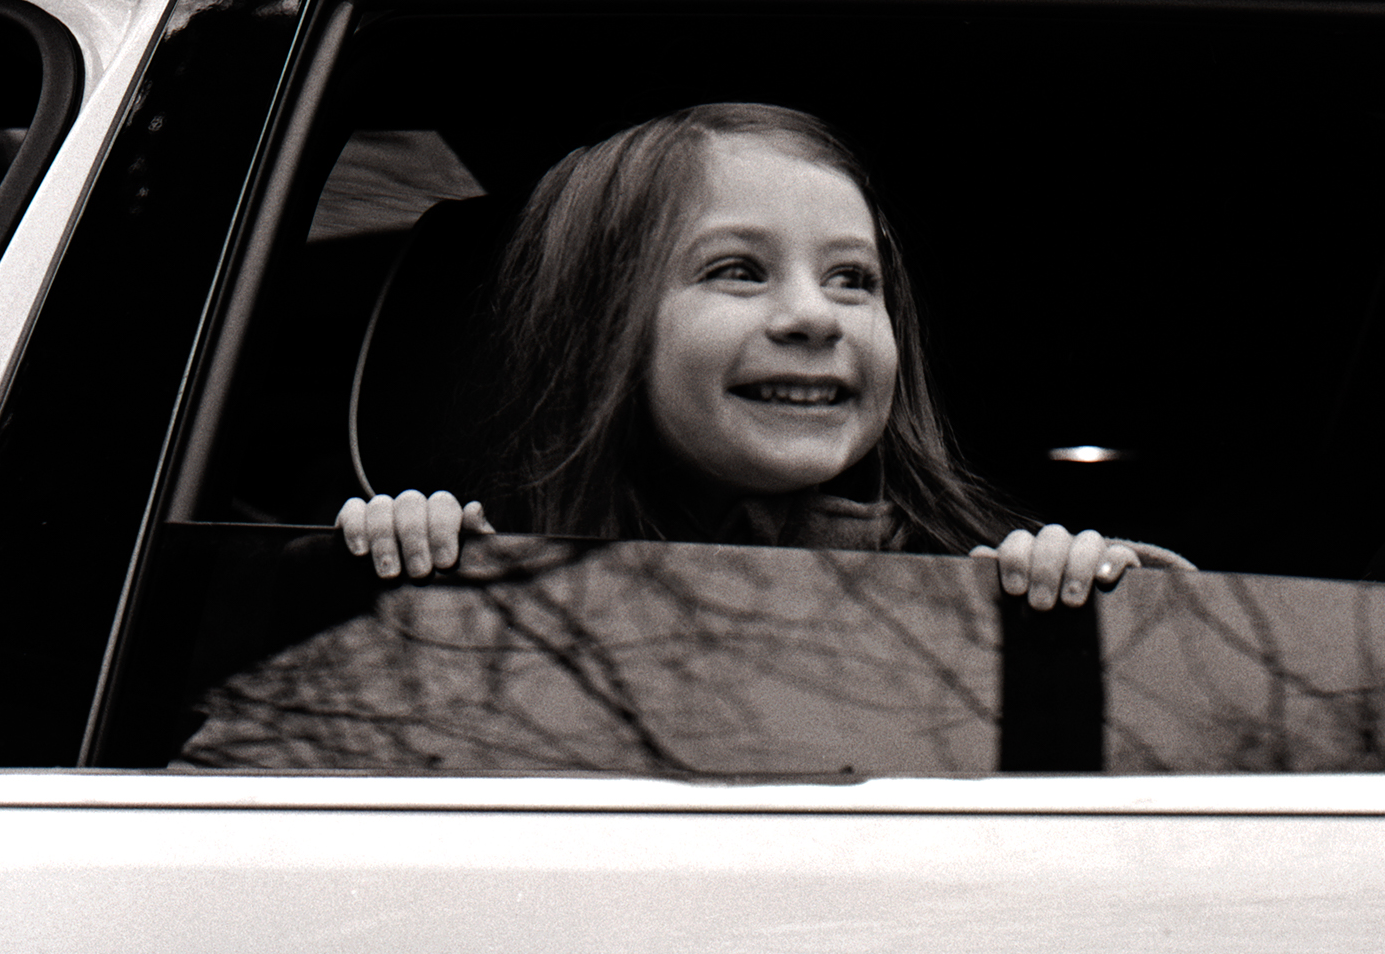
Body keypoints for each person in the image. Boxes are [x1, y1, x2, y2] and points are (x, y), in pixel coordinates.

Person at [336, 102, 1191, 609]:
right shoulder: (502, 577)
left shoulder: (961, 580)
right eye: (739, 271)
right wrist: (404, 555)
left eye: (853, 280)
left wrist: (1095, 591)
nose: (815, 317)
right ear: (601, 328)